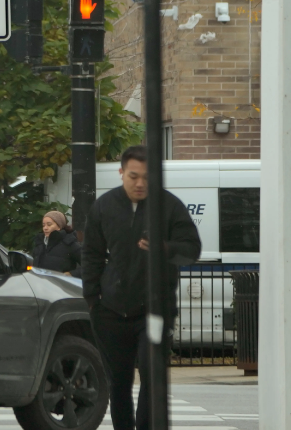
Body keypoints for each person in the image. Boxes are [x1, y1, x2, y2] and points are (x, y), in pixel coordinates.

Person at [81, 145, 201, 430]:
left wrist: (165, 248)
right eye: (133, 176)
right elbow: (92, 253)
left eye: (147, 177)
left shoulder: (169, 206)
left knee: (151, 378)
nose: (140, 183)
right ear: (121, 173)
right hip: (110, 309)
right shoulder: (104, 206)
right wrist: (92, 297)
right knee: (118, 383)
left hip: (154, 310)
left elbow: (192, 250)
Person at [31, 210, 81, 275]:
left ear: (59, 226)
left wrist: (71, 274)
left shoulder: (69, 243)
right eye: (43, 225)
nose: (45, 228)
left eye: (49, 225)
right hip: (40, 284)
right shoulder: (39, 243)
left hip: (60, 284)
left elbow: (89, 265)